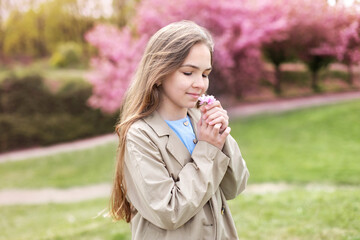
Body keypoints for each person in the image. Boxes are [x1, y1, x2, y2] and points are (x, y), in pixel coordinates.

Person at [110, 20, 249, 240]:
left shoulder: (200, 121)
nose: (200, 84)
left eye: (205, 74)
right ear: (159, 73)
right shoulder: (140, 135)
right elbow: (168, 211)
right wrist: (206, 148)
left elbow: (235, 187)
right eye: (188, 73)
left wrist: (222, 138)